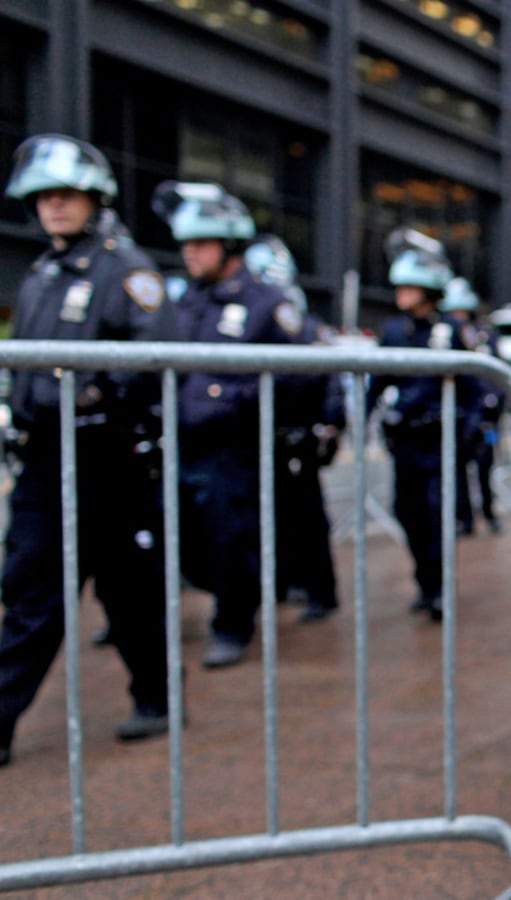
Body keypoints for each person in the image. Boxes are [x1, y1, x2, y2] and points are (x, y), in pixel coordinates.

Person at [0, 134, 178, 766]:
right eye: (44, 196)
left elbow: (154, 359)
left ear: (95, 198)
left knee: (129, 595)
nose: (54, 206)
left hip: (108, 461)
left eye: (67, 195)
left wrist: (96, 397)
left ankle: (157, 698)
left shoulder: (126, 270)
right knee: (29, 593)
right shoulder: (42, 274)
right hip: (44, 462)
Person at [154, 181, 306, 669]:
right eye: (186, 244)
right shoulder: (185, 299)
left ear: (230, 245)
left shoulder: (267, 302)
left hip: (234, 447)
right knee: (181, 537)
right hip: (183, 442)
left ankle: (233, 625)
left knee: (230, 539)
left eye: (201, 243)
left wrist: (227, 399)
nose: (190, 253)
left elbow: (295, 377)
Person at [368, 230, 479, 621]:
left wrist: (470, 433)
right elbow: (377, 380)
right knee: (408, 513)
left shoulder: (452, 331)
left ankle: (440, 589)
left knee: (437, 516)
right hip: (406, 441)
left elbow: (474, 387)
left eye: (409, 287)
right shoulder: (393, 331)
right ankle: (425, 581)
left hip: (441, 441)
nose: (401, 294)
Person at [243, 235, 343, 622]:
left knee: (307, 518)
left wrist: (327, 425)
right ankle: (283, 582)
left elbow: (327, 381)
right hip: (260, 438)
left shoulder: (300, 322)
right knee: (270, 518)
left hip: (297, 436)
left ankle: (320, 591)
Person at [440, 277, 504, 536]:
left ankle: (489, 513)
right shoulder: (445, 335)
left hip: (484, 415)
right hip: (459, 413)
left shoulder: (484, 335)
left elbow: (496, 374)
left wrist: (493, 403)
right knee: (457, 469)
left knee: (484, 467)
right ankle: (464, 519)